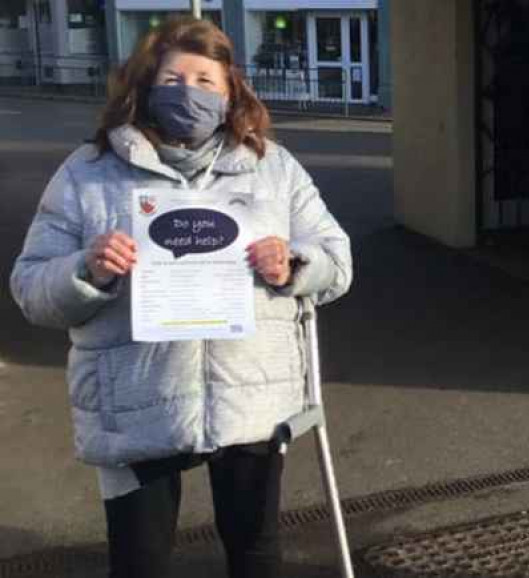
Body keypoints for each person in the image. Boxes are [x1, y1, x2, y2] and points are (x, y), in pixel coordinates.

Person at [10, 17, 352, 578]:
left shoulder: (273, 168)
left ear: (230, 91)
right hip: (135, 402)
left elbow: (337, 260)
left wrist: (294, 263)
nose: (188, 92)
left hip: (252, 399)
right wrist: (87, 270)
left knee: (257, 555)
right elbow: (30, 287)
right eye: (172, 78)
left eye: (204, 80)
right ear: (143, 85)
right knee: (139, 563)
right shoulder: (88, 173)